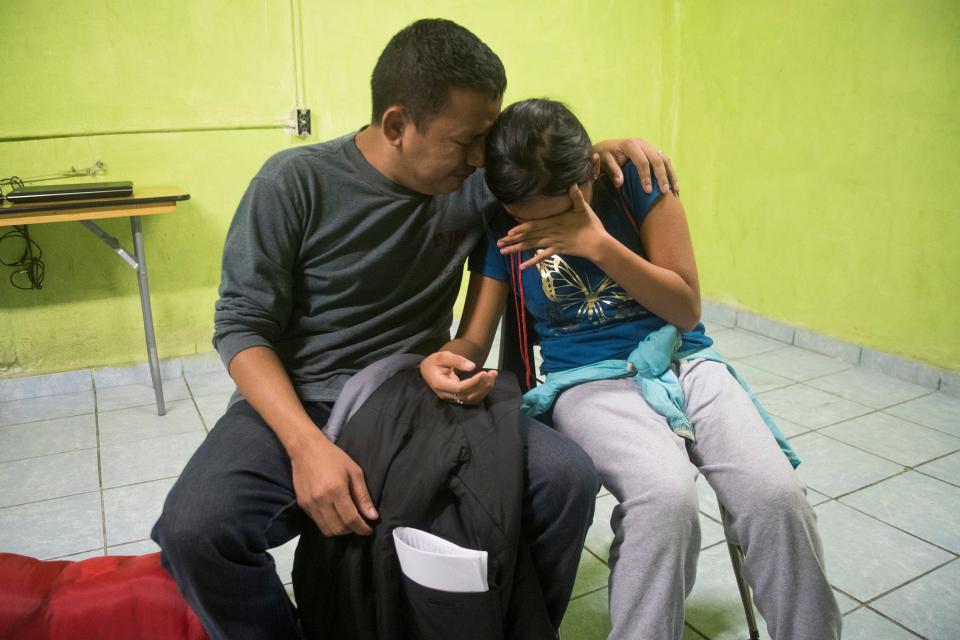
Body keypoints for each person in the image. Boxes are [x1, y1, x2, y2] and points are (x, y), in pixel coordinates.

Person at [152, 19, 677, 640]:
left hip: (419, 393)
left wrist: (602, 151)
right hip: (304, 398)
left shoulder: (473, 183)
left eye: (490, 136)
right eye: (470, 140)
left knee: (565, 479)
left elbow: (538, 166)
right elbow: (241, 327)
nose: (484, 158)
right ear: (398, 126)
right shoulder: (294, 184)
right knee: (196, 530)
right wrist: (306, 446)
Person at [419, 98, 842, 640]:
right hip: (586, 381)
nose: (545, 230)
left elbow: (686, 308)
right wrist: (450, 361)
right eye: (532, 219)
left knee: (775, 497)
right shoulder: (504, 226)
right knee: (664, 500)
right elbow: (474, 337)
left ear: (591, 171)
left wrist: (595, 244)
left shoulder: (640, 186)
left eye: (561, 214)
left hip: (684, 360)